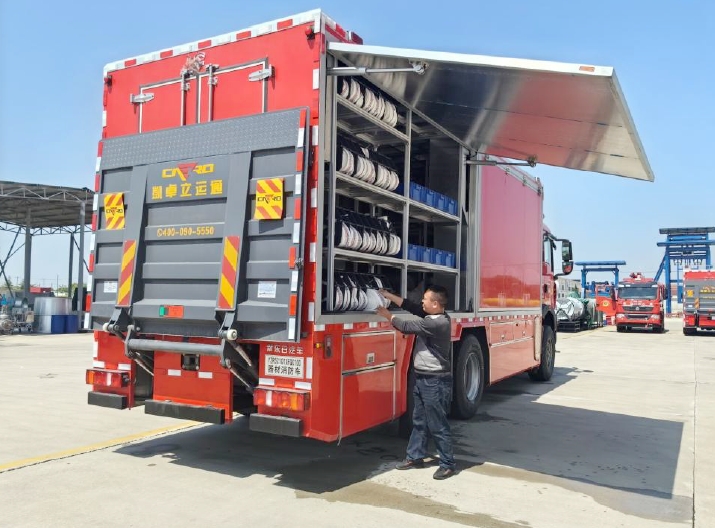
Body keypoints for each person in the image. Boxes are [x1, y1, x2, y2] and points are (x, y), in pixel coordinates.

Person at [376, 284, 456, 480]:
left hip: (434, 381)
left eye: (425, 299)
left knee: (437, 423)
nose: (422, 302)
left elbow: (406, 327)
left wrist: (387, 315)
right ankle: (415, 457)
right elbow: (410, 306)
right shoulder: (433, 316)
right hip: (422, 378)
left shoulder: (437, 323)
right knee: (419, 420)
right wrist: (388, 295)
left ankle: (447, 464)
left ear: (435, 304)